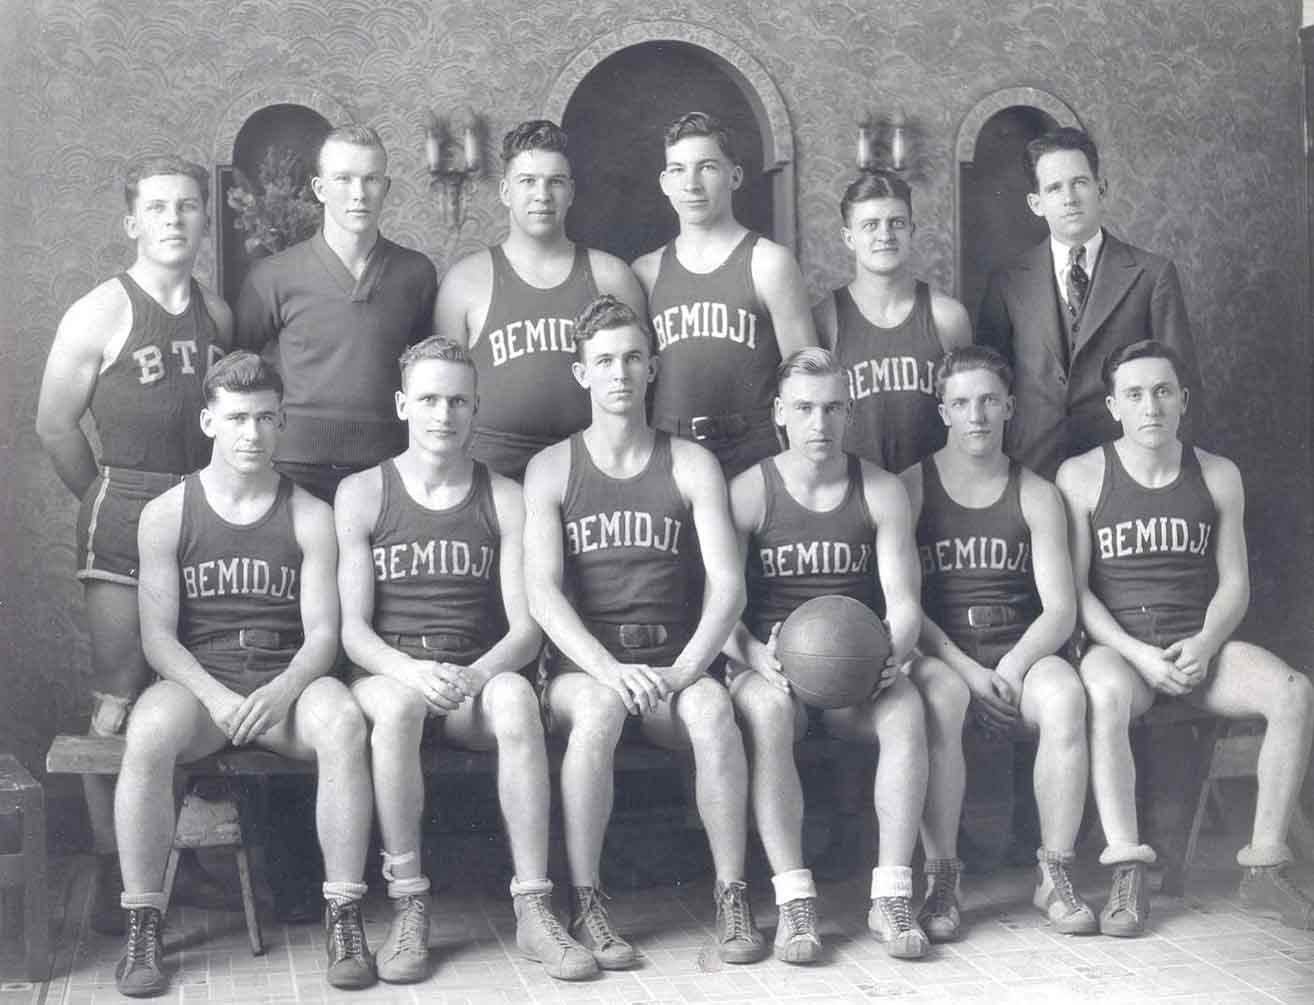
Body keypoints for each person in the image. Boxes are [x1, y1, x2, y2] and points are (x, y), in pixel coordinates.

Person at [335, 337, 596, 982]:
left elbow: (525, 629)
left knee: (512, 696)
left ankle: (534, 905)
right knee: (394, 709)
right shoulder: (363, 493)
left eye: (457, 400)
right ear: (403, 405)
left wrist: (476, 675)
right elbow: (353, 632)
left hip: (470, 681)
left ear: (476, 407)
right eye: (428, 399)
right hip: (391, 676)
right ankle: (408, 904)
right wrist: (409, 672)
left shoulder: (503, 497)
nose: (442, 414)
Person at [115, 353, 376, 997]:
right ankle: (143, 924)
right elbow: (157, 639)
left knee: (342, 721)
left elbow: (322, 635)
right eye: (236, 418)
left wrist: (280, 690)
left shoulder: (310, 515)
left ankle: (344, 916)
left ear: (282, 420)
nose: (251, 433)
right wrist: (215, 695)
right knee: (147, 732)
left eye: (264, 418)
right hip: (203, 689)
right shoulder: (167, 514)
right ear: (209, 420)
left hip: (283, 685)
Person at [523, 294, 766, 969]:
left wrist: (686, 670)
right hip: (588, 669)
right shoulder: (551, 468)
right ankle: (589, 900)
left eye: (633, 358)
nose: (620, 372)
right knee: (598, 712)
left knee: (715, 708)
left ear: (653, 366)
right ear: (582, 374)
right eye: (604, 360)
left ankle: (731, 893)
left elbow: (727, 585)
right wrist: (606, 669)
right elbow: (541, 594)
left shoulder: (690, 462)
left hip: (670, 660)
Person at [235, 124, 438, 918]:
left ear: (390, 187)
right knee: (299, 649)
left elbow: (428, 376)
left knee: (370, 644)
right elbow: (242, 373)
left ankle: (391, 861)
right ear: (319, 188)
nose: (359, 193)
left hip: (381, 486)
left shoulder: (416, 273)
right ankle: (291, 863)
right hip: (295, 481)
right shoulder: (273, 276)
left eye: (374, 179)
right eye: (344, 179)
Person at [1057, 340, 1314, 937]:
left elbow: (1235, 585)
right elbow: (1078, 598)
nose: (1152, 406)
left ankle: (1264, 866)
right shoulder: (1081, 475)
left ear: (1184, 400)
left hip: (1201, 649)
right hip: (1124, 651)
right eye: (1136, 394)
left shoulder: (1219, 473)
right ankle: (1127, 865)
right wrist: (1140, 656)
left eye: (1164, 391)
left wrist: (1201, 645)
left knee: (1294, 691)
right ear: (1115, 406)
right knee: (1102, 692)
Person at [35, 155, 231, 933]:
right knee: (121, 690)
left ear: (203, 219)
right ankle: (116, 863)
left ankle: (189, 856)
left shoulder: (217, 313)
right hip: (126, 505)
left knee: (198, 681)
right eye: (158, 207)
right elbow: (54, 425)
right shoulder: (98, 311)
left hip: (204, 512)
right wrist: (103, 499)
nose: (175, 219)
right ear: (132, 222)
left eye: (187, 206)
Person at [724, 348, 930, 961]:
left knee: (907, 709)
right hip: (773, 668)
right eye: (806, 408)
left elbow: (905, 600)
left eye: (833, 407)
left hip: (853, 673)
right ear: (780, 413)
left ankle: (891, 895)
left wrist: (893, 652)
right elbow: (720, 606)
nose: (820, 423)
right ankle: (794, 903)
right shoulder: (749, 491)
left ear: (850, 412)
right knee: (766, 715)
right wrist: (755, 654)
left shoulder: (882, 490)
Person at [903, 346, 1094, 942]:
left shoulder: (1035, 492)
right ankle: (942, 877)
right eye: (961, 403)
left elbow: (1061, 609)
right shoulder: (911, 486)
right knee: (939, 701)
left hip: (1021, 651)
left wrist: (1010, 667)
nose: (977, 415)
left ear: (1009, 406)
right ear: (943, 412)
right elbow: (907, 606)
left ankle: (1054, 871)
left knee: (1065, 698)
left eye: (988, 400)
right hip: (943, 653)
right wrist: (963, 668)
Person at [977, 127, 1204, 480]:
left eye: (1079, 182)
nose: (1069, 198)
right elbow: (989, 385)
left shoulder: (1151, 275)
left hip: (1125, 470)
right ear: (1036, 203)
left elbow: (1181, 382)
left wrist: (1172, 480)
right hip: (1032, 467)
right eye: (1054, 188)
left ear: (1101, 189)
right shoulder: (1007, 281)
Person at [434, 120, 647, 479]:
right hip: (493, 471)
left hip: (593, 466)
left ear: (572, 192)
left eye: (555, 182)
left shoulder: (612, 276)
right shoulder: (464, 281)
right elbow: (443, 391)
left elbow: (643, 387)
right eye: (528, 181)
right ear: (505, 191)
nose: (542, 195)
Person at [633, 112, 816, 479]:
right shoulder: (645, 272)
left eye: (707, 167)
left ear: (735, 176)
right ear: (665, 182)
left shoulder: (769, 263)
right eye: (679, 170)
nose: (692, 184)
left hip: (754, 452)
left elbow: (807, 379)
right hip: (672, 455)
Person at [816, 170, 972, 475]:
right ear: (849, 238)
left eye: (896, 223)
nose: (885, 235)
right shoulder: (825, 318)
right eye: (870, 225)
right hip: (855, 497)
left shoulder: (948, 317)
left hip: (935, 496)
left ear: (912, 230)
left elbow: (969, 416)